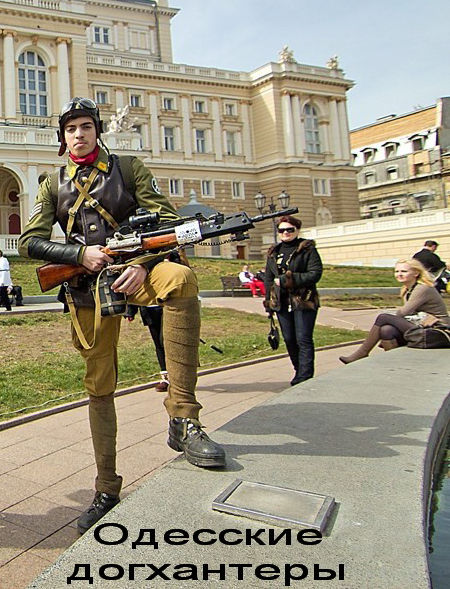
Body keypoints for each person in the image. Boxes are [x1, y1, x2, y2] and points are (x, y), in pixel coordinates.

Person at [19, 97, 225, 535]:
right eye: (71, 128)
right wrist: (79, 255)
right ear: (62, 138)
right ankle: (106, 487)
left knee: (181, 279)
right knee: (99, 383)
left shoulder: (129, 168)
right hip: (87, 284)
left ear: (97, 131)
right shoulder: (52, 185)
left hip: (137, 270)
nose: (79, 134)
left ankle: (184, 417)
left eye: (86, 126)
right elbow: (29, 242)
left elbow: (169, 222)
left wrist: (144, 264)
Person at [340, 258, 449, 363]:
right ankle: (394, 362)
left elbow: (403, 313)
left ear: (416, 273)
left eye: (404, 271)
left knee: (383, 317)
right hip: (423, 328)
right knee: (386, 330)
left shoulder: (422, 288)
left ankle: (362, 352)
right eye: (397, 271)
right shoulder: (407, 289)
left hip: (437, 332)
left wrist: (391, 320)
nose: (399, 274)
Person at [263, 216, 322, 386]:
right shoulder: (274, 252)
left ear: (297, 230)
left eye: (290, 229)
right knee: (289, 339)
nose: (285, 233)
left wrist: (287, 280)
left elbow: (315, 274)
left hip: (303, 300)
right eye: (282, 230)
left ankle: (305, 376)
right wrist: (268, 302)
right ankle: (298, 370)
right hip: (281, 302)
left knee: (303, 338)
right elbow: (268, 278)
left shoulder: (306, 249)